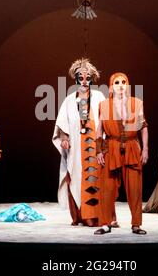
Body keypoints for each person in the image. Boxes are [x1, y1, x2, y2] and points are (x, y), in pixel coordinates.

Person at [52, 58, 106, 227]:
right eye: (80, 77)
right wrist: (65, 138)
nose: (84, 81)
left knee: (96, 179)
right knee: (75, 177)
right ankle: (79, 216)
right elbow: (62, 122)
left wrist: (103, 146)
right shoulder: (69, 100)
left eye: (87, 77)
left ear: (92, 78)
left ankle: (96, 216)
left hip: (95, 148)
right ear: (75, 78)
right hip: (76, 148)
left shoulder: (98, 96)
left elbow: (105, 120)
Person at [94, 72, 148, 235]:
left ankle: (136, 224)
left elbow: (143, 126)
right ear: (111, 87)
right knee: (107, 188)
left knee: (135, 188)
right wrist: (99, 150)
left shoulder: (136, 103)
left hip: (132, 147)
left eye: (124, 81)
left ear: (128, 85)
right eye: (116, 82)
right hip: (112, 147)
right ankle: (105, 223)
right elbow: (99, 130)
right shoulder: (104, 105)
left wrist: (145, 149)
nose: (120, 85)